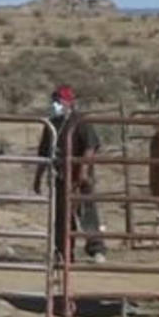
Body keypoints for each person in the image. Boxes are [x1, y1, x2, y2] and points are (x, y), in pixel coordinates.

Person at [33, 85, 107, 264]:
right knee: (62, 217)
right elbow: (44, 152)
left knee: (87, 213)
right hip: (60, 176)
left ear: (68, 102)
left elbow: (90, 147)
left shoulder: (80, 122)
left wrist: (81, 170)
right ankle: (63, 253)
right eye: (54, 101)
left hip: (80, 178)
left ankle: (96, 249)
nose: (55, 104)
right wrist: (38, 177)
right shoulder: (51, 124)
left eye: (58, 101)